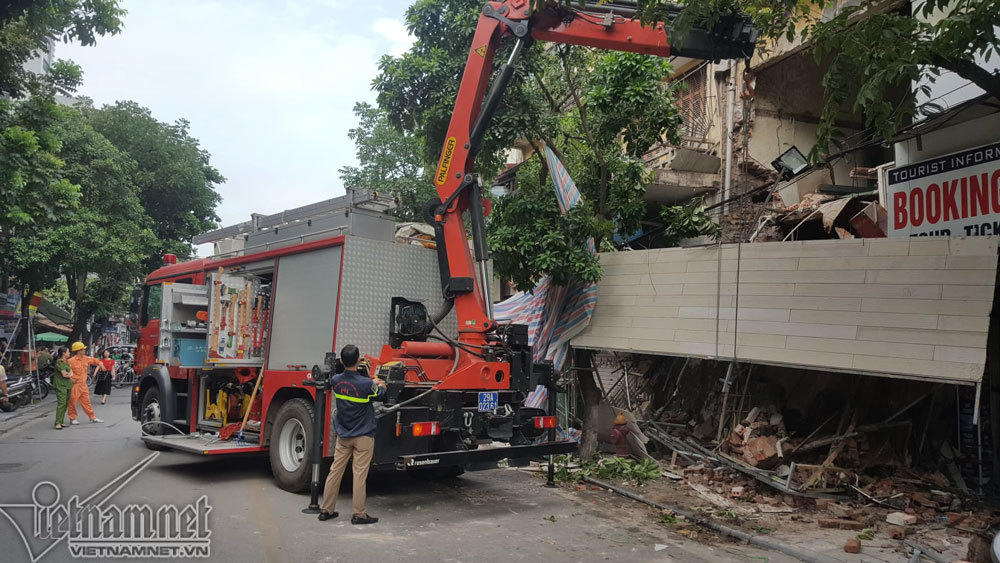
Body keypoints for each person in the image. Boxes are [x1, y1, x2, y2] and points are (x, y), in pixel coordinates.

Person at [318, 344, 386, 525]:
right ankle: (359, 514)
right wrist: (381, 384)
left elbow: (337, 381)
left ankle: (326, 510)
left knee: (335, 471)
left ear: (341, 361)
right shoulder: (366, 385)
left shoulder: (336, 381)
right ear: (359, 360)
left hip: (344, 435)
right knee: (359, 474)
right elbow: (380, 394)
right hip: (363, 436)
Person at [67, 341, 105, 424]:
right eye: (83, 349)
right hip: (75, 385)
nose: (85, 350)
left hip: (83, 385)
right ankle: (72, 418)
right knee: (73, 402)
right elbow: (66, 372)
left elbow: (95, 360)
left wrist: (101, 364)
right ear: (78, 350)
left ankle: (92, 417)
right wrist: (70, 378)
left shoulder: (85, 358)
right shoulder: (71, 361)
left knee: (87, 402)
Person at [52, 347, 73, 429]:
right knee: (61, 403)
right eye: (68, 352)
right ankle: (57, 423)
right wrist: (70, 374)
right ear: (64, 353)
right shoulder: (59, 362)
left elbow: (71, 372)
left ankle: (61, 421)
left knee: (66, 403)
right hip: (60, 385)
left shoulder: (67, 362)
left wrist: (70, 374)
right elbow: (64, 374)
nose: (69, 353)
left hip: (68, 384)